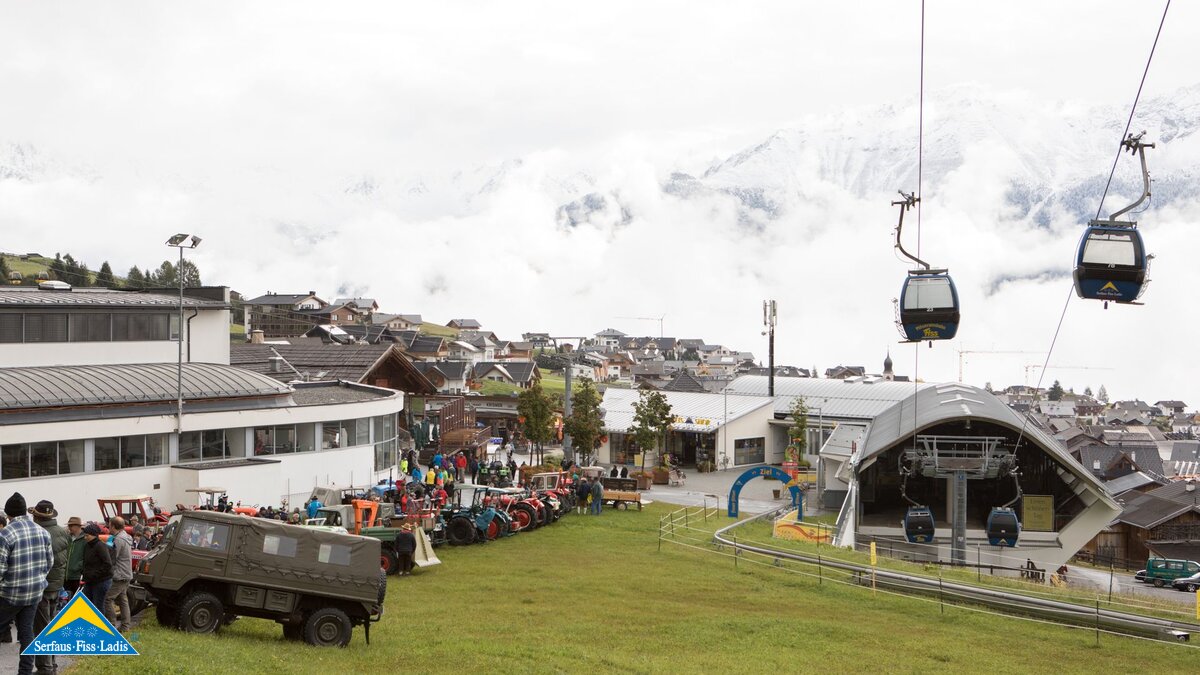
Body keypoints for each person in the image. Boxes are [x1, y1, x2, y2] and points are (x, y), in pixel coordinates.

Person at [0, 492, 53, 675]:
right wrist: (37, 580)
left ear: (8, 514)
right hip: (34, 593)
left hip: (11, 594)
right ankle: (25, 672)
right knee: (27, 634)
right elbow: (49, 563)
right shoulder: (42, 532)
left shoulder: (5, 534)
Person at [31, 500, 68, 675]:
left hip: (42, 586)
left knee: (41, 628)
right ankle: (52, 665)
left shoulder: (37, 533)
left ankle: (45, 668)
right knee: (52, 625)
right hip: (57, 585)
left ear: (37, 516)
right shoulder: (63, 531)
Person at [105, 516, 133, 632]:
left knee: (107, 599)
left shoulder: (118, 540)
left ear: (114, 526)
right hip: (126, 573)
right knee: (123, 599)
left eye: (109, 525)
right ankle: (125, 626)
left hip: (119, 575)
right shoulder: (125, 537)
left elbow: (111, 557)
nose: (108, 527)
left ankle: (111, 625)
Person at [80, 524, 112, 614]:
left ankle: (100, 626)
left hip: (101, 581)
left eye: (87, 535)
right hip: (89, 581)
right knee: (86, 604)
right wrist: (84, 571)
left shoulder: (100, 546)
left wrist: (94, 574)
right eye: (84, 535)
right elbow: (86, 561)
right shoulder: (87, 546)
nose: (85, 537)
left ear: (94, 535)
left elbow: (107, 564)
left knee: (98, 606)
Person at [64, 517, 86, 596]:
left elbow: (87, 557)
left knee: (77, 599)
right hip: (66, 576)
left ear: (78, 526)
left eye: (71, 526)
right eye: (69, 526)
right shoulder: (67, 538)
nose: (69, 528)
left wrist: (78, 566)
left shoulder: (85, 539)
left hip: (78, 576)